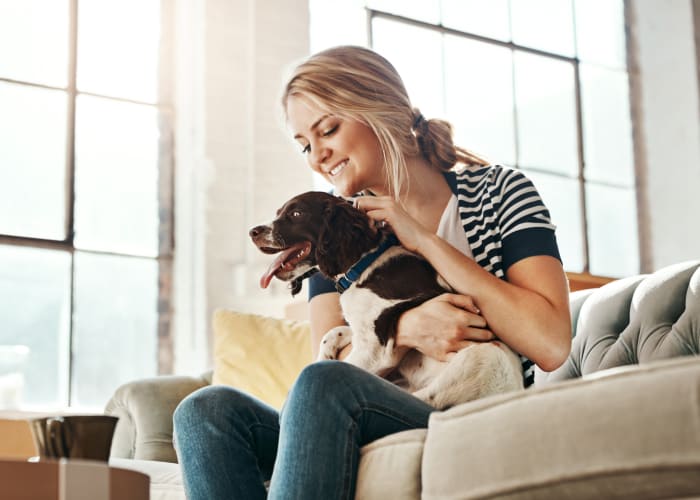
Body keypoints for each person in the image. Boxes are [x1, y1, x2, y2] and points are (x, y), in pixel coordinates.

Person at [173, 45, 572, 500]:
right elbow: (331, 361)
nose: (317, 156)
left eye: (328, 130)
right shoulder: (338, 228)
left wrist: (424, 241)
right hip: (364, 413)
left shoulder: (501, 193)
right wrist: (404, 328)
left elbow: (551, 342)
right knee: (206, 411)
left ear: (381, 110)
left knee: (323, 387)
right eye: (305, 145)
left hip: (473, 414)